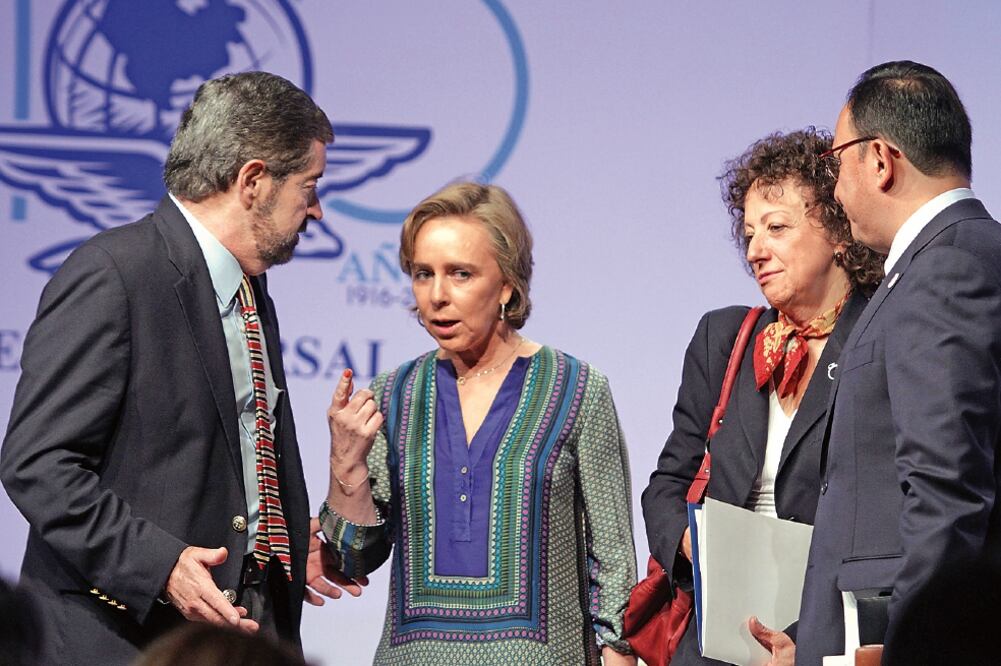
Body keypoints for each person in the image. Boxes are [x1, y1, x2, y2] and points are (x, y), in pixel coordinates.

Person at [0, 71, 355, 665]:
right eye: (309, 185)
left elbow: (210, 460)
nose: (316, 211)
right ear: (253, 181)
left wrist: (276, 542)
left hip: (233, 638)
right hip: (122, 642)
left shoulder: (246, 288)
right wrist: (159, 564)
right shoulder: (115, 273)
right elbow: (38, 464)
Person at [318, 182, 638, 665]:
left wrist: (619, 654)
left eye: (460, 274)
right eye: (423, 274)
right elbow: (355, 556)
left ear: (507, 284)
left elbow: (612, 558)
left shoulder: (576, 389)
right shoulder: (394, 393)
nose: (438, 296)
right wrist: (346, 457)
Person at [641, 129, 884, 665]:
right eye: (749, 233)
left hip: (825, 635)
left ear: (839, 231)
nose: (755, 250)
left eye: (776, 227)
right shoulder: (723, 338)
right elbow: (666, 486)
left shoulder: (880, 337)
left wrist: (806, 634)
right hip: (715, 640)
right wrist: (697, 547)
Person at [796, 61, 1001, 666]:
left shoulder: (943, 270)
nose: (834, 189)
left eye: (837, 164)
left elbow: (947, 494)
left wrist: (909, 648)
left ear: (880, 160)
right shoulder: (972, 253)